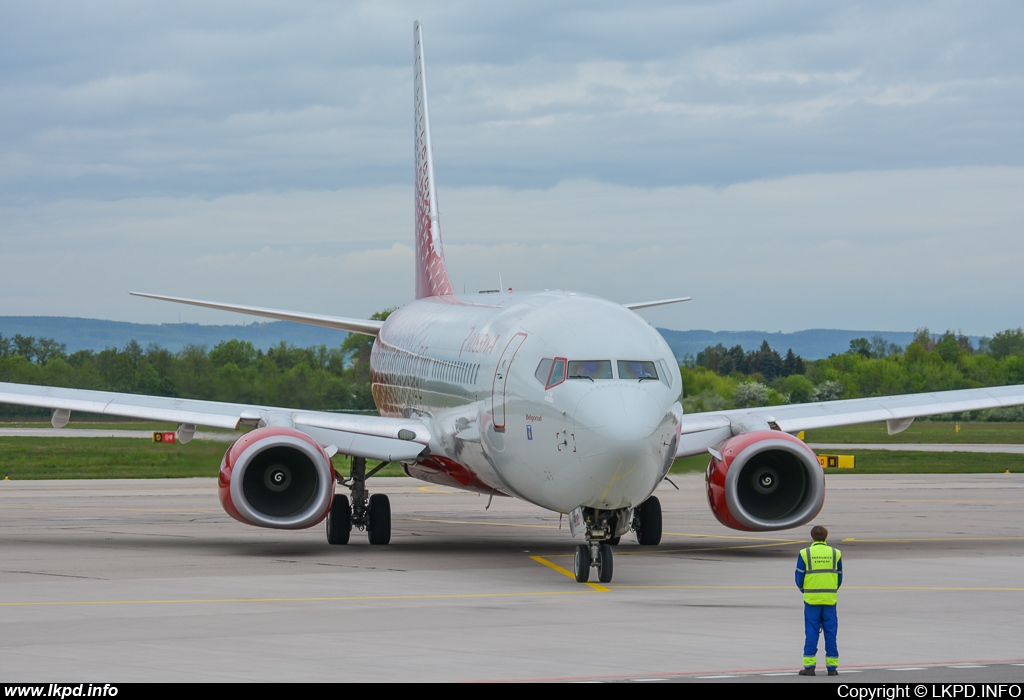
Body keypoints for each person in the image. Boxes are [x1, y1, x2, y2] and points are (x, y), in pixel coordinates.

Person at [795, 524, 842, 676]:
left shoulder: (805, 553)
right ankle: (832, 667)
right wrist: (831, 589)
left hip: (811, 600)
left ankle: (809, 667)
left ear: (812, 537)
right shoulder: (836, 553)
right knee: (831, 632)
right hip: (829, 599)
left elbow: (799, 577)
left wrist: (805, 590)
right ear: (825, 537)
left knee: (811, 632)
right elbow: (839, 577)